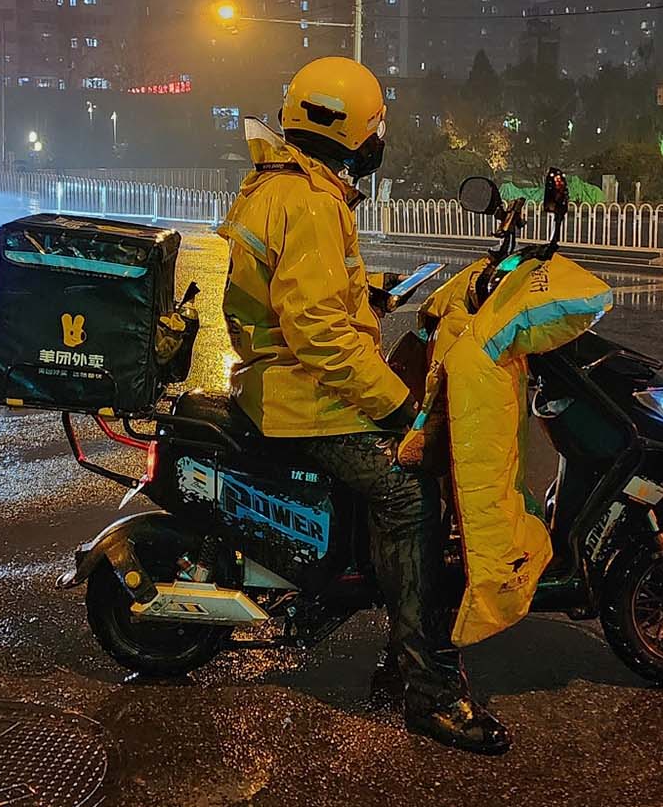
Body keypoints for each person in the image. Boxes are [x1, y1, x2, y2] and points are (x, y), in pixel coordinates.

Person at [216, 56, 510, 755]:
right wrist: (397, 405)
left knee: (400, 482)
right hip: (301, 396)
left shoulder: (283, 186)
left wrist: (370, 296)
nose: (381, 141)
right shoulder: (313, 203)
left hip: (284, 381)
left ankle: (398, 645)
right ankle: (429, 690)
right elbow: (316, 334)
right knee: (411, 494)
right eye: (378, 127)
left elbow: (309, 296)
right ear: (355, 130)